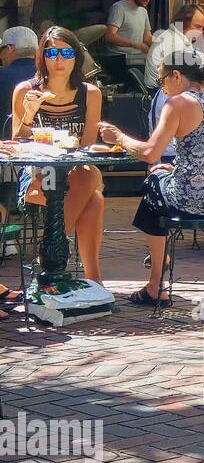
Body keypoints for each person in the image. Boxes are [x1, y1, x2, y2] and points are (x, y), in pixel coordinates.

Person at [98, 49, 204, 307]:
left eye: (162, 81)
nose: (162, 89)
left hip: (191, 201)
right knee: (160, 176)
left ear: (176, 75)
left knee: (152, 181)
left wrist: (118, 136)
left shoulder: (179, 103)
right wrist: (174, 171)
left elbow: (150, 152)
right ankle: (158, 266)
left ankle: (156, 281)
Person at [10, 27, 106, 283]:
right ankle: (92, 279)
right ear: (42, 57)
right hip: (39, 174)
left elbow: (86, 149)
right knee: (93, 196)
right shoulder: (25, 90)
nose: (59, 59)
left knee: (87, 177)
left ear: (77, 56)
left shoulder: (90, 94)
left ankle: (51, 250)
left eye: (66, 52)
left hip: (76, 173)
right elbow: (16, 144)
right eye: (52, 52)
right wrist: (29, 114)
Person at [146, 3, 204, 162]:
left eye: (203, 28)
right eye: (197, 26)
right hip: (164, 96)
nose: (200, 32)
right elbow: (185, 82)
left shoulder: (178, 41)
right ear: (183, 22)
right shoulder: (172, 43)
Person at [104, 0, 155, 66]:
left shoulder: (143, 11)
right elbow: (110, 36)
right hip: (118, 57)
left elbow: (147, 37)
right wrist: (135, 45)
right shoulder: (119, 8)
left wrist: (160, 47)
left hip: (136, 57)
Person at [0, 26, 38, 130]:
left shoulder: (2, 76)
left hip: (6, 143)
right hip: (45, 139)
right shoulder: (49, 75)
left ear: (9, 48)